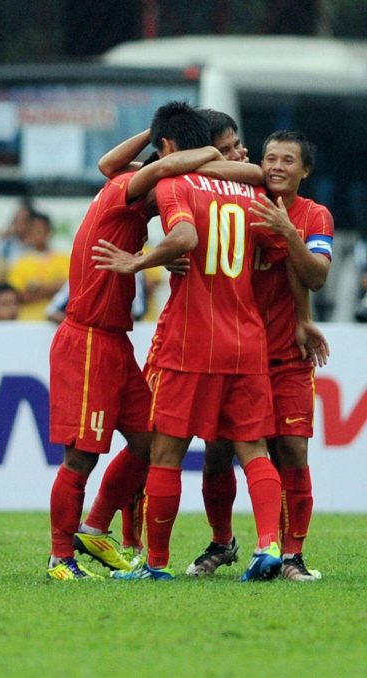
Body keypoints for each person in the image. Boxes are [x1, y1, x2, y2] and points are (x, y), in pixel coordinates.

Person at [92, 101, 293, 581]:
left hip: (190, 340)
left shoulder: (175, 184)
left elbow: (182, 236)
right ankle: (269, 547)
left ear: (169, 145)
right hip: (246, 339)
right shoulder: (249, 190)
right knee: (254, 450)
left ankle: (155, 564)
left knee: (166, 455)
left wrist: (138, 262)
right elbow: (276, 251)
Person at [46, 101, 232, 580]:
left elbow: (114, 163)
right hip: (86, 338)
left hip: (115, 340)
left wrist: (156, 255)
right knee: (81, 454)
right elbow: (165, 166)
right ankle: (59, 558)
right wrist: (217, 155)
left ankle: (93, 530)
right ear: (174, 151)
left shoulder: (123, 182)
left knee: (151, 442)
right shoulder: (123, 191)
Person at [184, 130, 334, 581]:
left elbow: (317, 275)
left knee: (292, 450)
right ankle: (221, 541)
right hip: (235, 353)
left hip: (287, 355)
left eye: (289, 160)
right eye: (270, 158)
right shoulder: (240, 204)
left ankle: (292, 556)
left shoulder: (315, 216)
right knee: (216, 453)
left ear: (305, 170)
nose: (277, 167)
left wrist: (289, 233)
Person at [5, 212, 70, 320]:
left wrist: (36, 288)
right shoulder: (21, 262)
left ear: (49, 232)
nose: (38, 234)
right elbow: (18, 295)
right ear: (29, 233)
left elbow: (66, 288)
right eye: (34, 230)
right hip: (27, 319)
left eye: (41, 230)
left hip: (58, 319)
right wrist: (51, 289)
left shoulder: (64, 259)